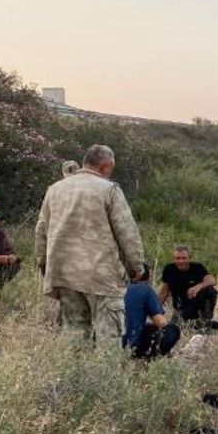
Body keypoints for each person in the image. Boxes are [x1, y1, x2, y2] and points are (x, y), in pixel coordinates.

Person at [35, 144, 144, 344]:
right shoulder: (109, 189)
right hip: (101, 273)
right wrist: (136, 266)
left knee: (74, 333)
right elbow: (127, 232)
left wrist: (44, 264)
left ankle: (75, 365)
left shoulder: (55, 189)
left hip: (64, 272)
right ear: (105, 166)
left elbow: (41, 230)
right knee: (109, 335)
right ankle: (105, 366)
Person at [124, 263, 181, 359]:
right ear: (148, 277)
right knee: (173, 330)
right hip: (132, 343)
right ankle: (150, 357)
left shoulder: (113, 289)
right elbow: (160, 322)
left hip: (108, 340)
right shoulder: (145, 290)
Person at [159, 246, 218, 327]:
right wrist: (155, 312)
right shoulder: (169, 269)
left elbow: (212, 280)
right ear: (174, 259)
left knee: (210, 290)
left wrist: (198, 286)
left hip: (196, 305)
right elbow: (163, 293)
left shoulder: (197, 267)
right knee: (174, 328)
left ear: (189, 258)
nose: (181, 261)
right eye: (178, 258)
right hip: (180, 307)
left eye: (184, 258)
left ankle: (205, 319)